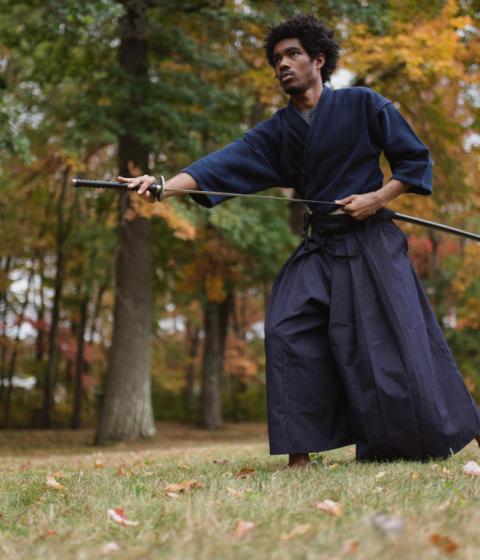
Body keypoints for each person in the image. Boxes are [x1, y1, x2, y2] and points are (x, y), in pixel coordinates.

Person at [120, 14, 480, 468]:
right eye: (276, 59)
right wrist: (165, 185)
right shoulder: (278, 131)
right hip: (322, 246)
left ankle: (472, 430)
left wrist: (376, 197)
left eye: (293, 55)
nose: (283, 65)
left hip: (371, 243)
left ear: (318, 60)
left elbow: (413, 163)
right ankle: (299, 457)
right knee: (286, 327)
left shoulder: (364, 103)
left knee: (406, 338)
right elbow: (224, 164)